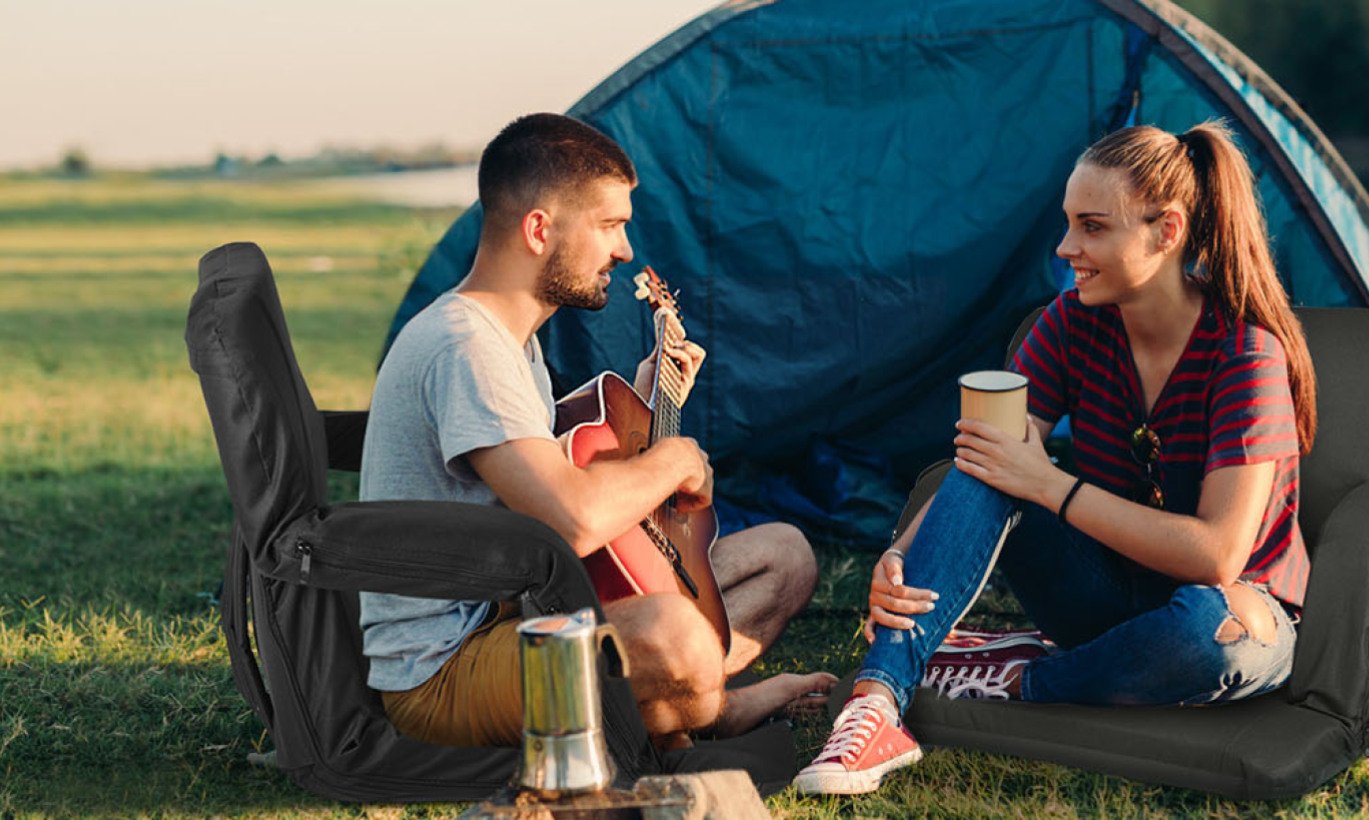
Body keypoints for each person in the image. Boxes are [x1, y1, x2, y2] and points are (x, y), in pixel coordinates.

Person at [794, 121, 1319, 795]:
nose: (1066, 248)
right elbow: (987, 467)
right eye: (1069, 224)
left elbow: (1216, 555)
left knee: (1206, 637)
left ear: (1167, 230)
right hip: (1101, 593)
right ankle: (877, 702)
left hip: (1231, 614)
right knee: (991, 453)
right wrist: (902, 552)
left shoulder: (1244, 355)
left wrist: (1050, 485)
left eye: (1093, 228)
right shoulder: (1071, 321)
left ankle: (1015, 675)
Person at [359, 113, 836, 752]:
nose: (625, 250)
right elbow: (573, 518)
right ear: (538, 229)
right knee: (675, 635)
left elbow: (555, 473)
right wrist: (675, 458)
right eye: (610, 225)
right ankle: (709, 706)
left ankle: (683, 699)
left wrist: (649, 402)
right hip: (448, 666)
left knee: (785, 557)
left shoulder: (509, 343)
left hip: (526, 609)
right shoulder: (465, 347)